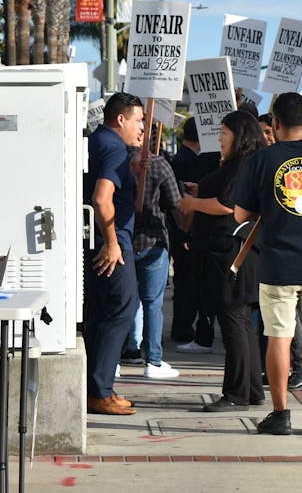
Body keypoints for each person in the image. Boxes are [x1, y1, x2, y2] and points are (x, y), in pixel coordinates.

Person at [232, 92, 302, 435]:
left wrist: (269, 207)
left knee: (279, 338)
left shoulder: (261, 161)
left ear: (275, 122)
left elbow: (240, 214)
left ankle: (281, 414)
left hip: (278, 265)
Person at [179, 111, 268, 411]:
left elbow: (228, 206)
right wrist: (200, 191)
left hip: (229, 254)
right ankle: (252, 389)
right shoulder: (242, 164)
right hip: (230, 253)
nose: (219, 137)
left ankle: (236, 394)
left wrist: (193, 203)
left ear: (239, 136)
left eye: (224, 133)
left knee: (233, 323)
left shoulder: (243, 165)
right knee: (241, 323)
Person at [84, 92, 145, 416]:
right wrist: (112, 242)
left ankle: (97, 386)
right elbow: (102, 198)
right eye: (138, 120)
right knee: (122, 309)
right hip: (111, 245)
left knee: (100, 313)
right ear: (120, 118)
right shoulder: (113, 147)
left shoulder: (99, 141)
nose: (142, 128)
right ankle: (100, 391)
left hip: (95, 241)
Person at [254, 112, 302, 393]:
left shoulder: (279, 162)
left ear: (277, 128)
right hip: (272, 254)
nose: (266, 136)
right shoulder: (263, 162)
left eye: (269, 131)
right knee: (279, 324)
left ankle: (300, 372)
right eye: (261, 132)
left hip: (289, 259)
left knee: (288, 325)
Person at [119, 144, 183, 379]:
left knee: (122, 303)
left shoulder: (115, 159)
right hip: (152, 240)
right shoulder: (159, 164)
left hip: (122, 240)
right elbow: (175, 202)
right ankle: (153, 359)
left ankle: (119, 355)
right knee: (152, 304)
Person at [169, 117, 220, 352]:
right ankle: (183, 327)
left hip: (186, 229)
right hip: (186, 229)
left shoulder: (183, 158)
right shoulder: (188, 162)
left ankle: (183, 326)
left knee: (186, 282)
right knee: (188, 283)